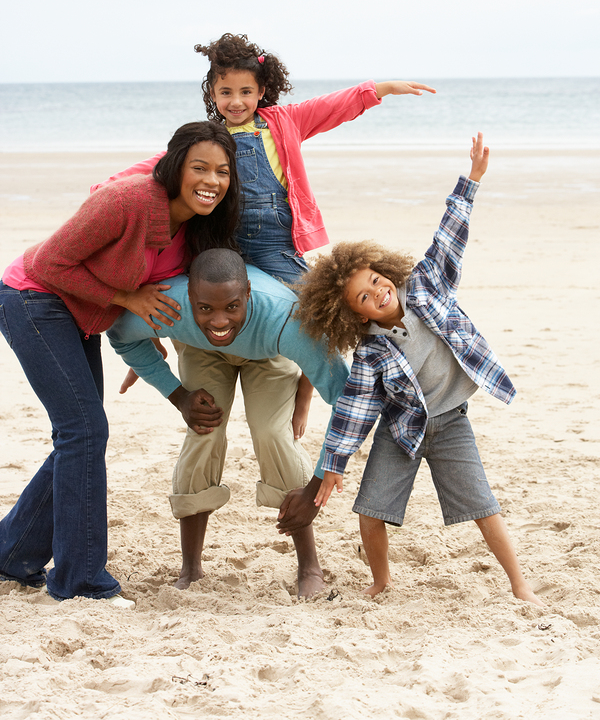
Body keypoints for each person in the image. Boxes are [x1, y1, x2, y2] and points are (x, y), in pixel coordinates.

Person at [293, 134, 543, 605]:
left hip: (452, 425)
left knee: (483, 508)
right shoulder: (370, 353)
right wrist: (332, 466)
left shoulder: (427, 285)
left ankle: (520, 584)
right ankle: (382, 580)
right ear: (357, 315)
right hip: (401, 431)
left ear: (383, 270)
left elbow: (449, 235)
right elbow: (354, 412)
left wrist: (471, 180)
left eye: (375, 280)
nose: (377, 293)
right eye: (364, 297)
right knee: (370, 510)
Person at [0, 122, 240, 604]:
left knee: (82, 435)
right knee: (83, 432)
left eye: (222, 171)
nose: (211, 180)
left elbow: (165, 293)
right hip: (33, 298)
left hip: (81, 315)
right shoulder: (128, 201)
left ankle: (12, 552)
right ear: (175, 167)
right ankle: (82, 583)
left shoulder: (196, 228)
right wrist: (125, 299)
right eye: (200, 168)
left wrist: (143, 336)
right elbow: (50, 264)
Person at [94, 32, 436, 284]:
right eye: (226, 92)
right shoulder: (208, 137)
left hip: (277, 241)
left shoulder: (285, 121)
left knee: (311, 303)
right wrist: (109, 187)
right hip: (222, 239)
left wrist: (380, 89)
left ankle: (306, 380)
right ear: (212, 93)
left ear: (260, 91)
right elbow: (160, 163)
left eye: (246, 92)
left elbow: (331, 107)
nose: (236, 101)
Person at [106, 249, 350, 597]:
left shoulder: (287, 319)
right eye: (205, 307)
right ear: (189, 295)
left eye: (231, 306)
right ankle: (190, 568)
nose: (219, 320)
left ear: (247, 294)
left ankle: (309, 565)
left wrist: (314, 487)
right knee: (203, 432)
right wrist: (178, 396)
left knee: (272, 435)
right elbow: (120, 335)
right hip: (200, 349)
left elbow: (346, 400)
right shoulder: (171, 305)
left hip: (269, 350)